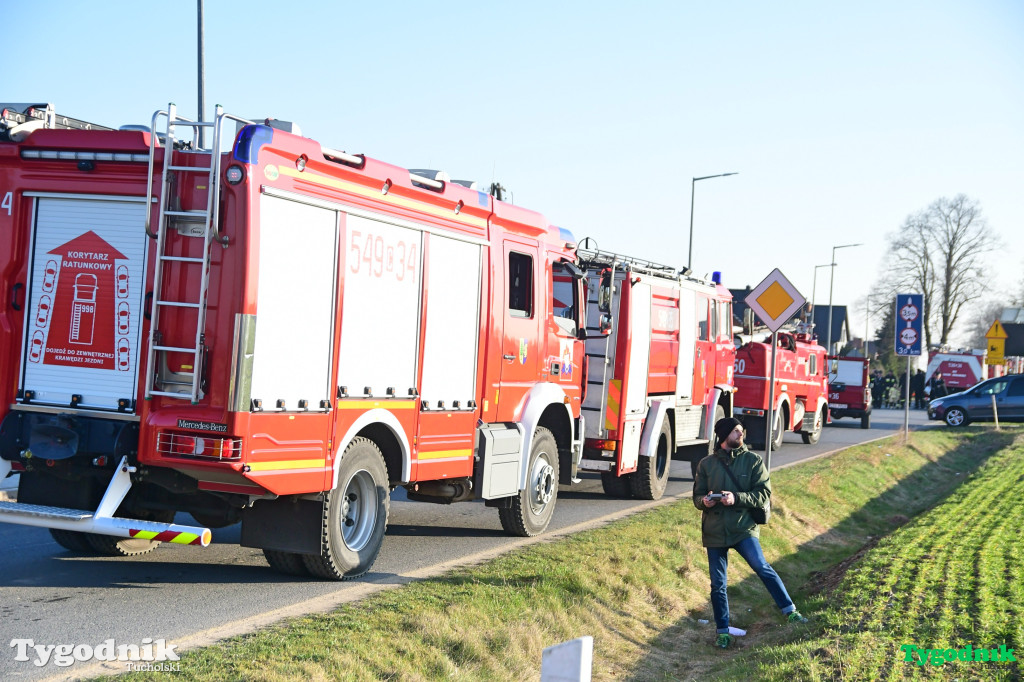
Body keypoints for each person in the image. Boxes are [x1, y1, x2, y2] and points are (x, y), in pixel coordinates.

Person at [693, 417, 808, 649]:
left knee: (761, 567)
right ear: (724, 435)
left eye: (741, 431)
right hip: (714, 531)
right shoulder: (706, 464)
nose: (740, 435)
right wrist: (705, 501)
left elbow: (763, 494)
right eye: (736, 431)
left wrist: (736, 498)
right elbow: (696, 497)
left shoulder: (753, 461)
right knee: (718, 584)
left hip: (744, 528)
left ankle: (790, 611)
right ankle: (722, 631)